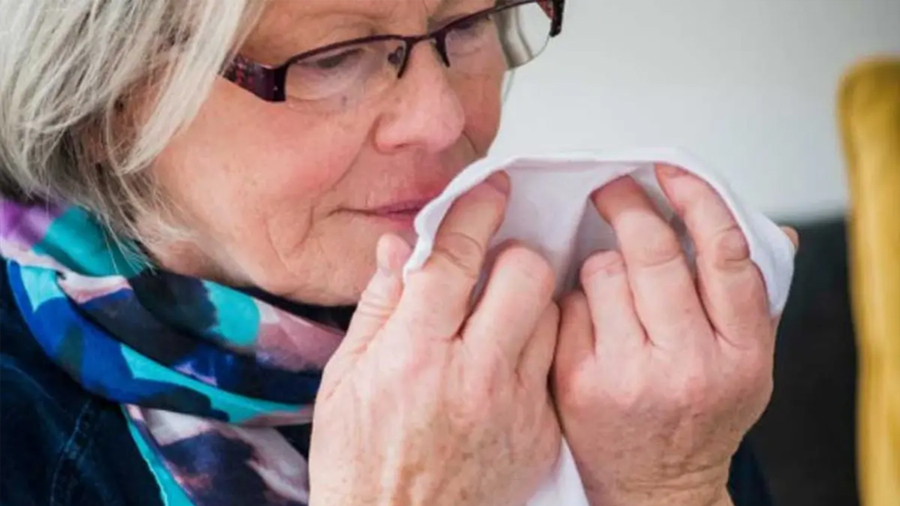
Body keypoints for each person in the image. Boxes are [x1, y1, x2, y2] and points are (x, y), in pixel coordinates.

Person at [0, 1, 796, 505]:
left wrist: (662, 489)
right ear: (110, 100)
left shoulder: (620, 360)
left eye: (467, 25)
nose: (442, 120)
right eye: (333, 57)